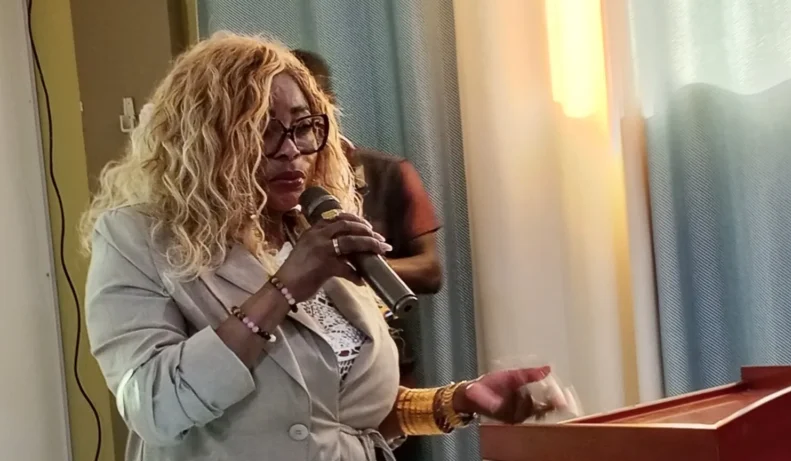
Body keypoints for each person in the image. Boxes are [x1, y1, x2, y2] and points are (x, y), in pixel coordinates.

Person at [82, 32, 551, 461]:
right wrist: (283, 288)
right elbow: (156, 407)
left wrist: (459, 401)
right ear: (205, 139)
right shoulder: (138, 238)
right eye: (262, 129)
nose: (292, 149)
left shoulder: (312, 231)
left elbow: (339, 415)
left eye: (302, 126)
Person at [291, 48, 445, 461]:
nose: (291, 141)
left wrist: (346, 268)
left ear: (329, 105)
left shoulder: (388, 172)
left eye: (304, 117)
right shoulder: (266, 197)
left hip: (387, 370)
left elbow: (431, 270)